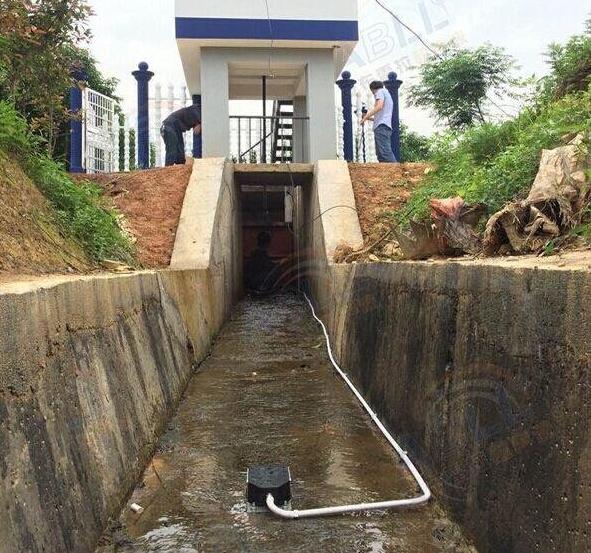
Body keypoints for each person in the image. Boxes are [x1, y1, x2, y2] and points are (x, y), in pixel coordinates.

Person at [361, 81, 397, 163]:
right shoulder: (387, 95)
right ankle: (388, 170)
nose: (374, 95)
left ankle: (396, 169)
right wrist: (368, 118)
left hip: (381, 127)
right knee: (381, 154)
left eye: (372, 92)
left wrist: (365, 117)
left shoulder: (380, 92)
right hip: (384, 126)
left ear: (373, 89)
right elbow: (380, 116)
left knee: (385, 153)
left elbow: (379, 106)